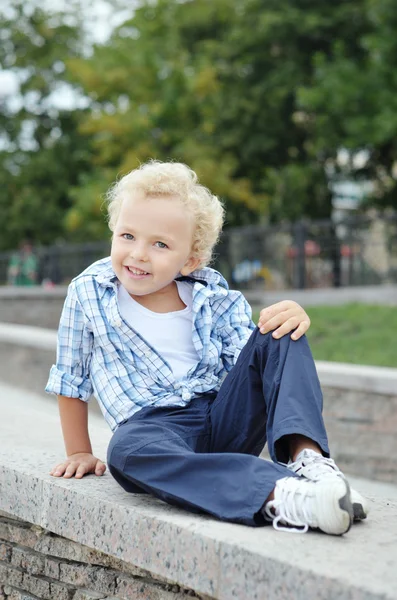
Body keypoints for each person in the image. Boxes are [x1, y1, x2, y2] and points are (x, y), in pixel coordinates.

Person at [46, 161, 368, 535]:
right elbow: (72, 376)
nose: (138, 254)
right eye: (127, 236)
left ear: (191, 260)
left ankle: (310, 464)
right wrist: (79, 451)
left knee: (280, 330)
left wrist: (290, 317)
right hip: (153, 428)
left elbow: (252, 361)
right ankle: (285, 496)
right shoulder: (88, 293)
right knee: (125, 451)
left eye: (160, 244)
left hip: (221, 416)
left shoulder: (211, 294)